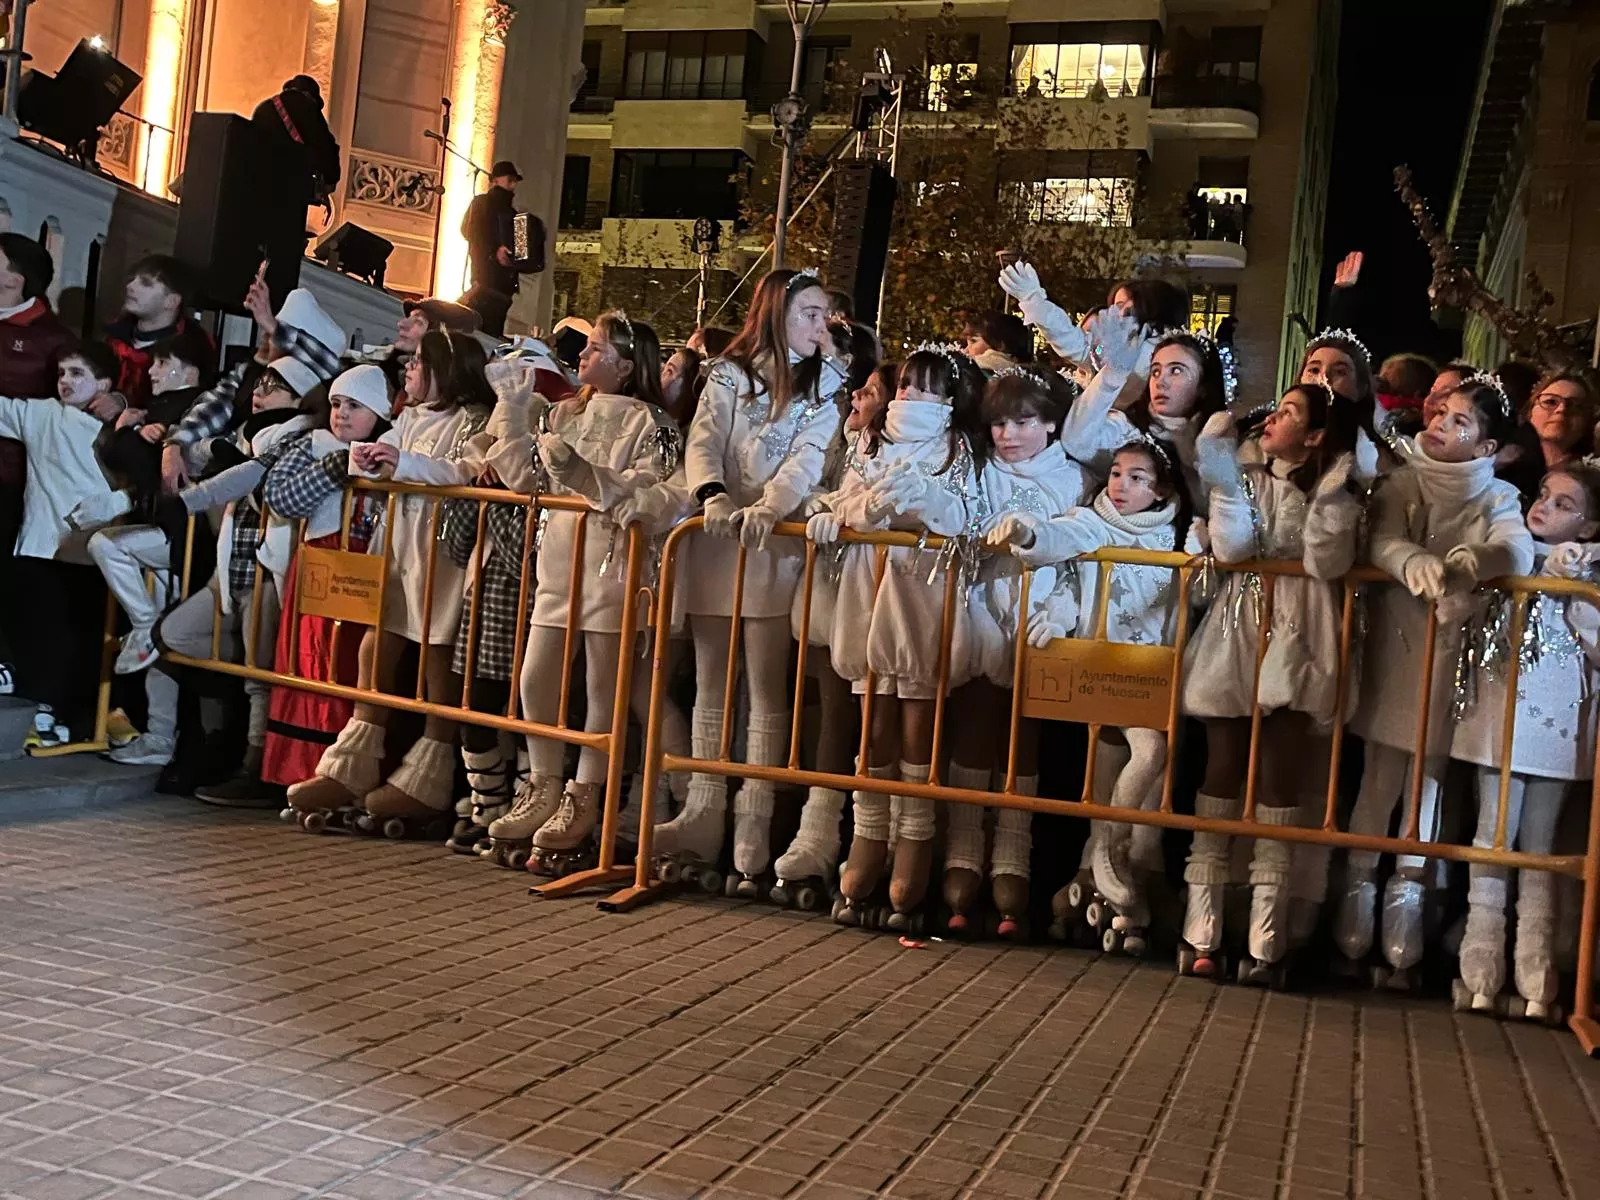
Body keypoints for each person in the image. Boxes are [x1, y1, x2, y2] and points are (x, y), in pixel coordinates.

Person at [651, 269, 845, 894]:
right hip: (717, 537)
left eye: (824, 315)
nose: (821, 326)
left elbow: (809, 456)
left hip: (773, 544)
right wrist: (711, 495)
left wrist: (773, 505)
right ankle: (704, 807)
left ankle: (754, 824)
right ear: (778, 312)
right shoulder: (731, 375)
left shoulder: (827, 386)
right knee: (712, 680)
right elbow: (704, 439)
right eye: (810, 313)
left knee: (765, 687)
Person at [1337, 374, 1532, 988]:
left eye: (1459, 422)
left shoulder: (1496, 495)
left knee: (1428, 784)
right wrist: (1407, 559)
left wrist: (1473, 562)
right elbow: (1382, 535)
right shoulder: (1403, 480)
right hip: (1398, 646)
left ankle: (1408, 893)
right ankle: (1358, 886)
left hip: (1454, 658)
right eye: (1439, 413)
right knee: (1378, 777)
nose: (1440, 425)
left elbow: (1516, 547)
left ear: (1485, 446)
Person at [1179, 382, 1362, 985]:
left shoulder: (1336, 487)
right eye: (1276, 408)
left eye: (1289, 413)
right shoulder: (1249, 477)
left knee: (1280, 775)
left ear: (1314, 435)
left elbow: (1323, 561)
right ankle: (1201, 918)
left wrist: (1335, 486)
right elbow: (1232, 548)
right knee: (1222, 766)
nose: (1273, 419)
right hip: (1238, 624)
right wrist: (1220, 469)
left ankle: (1268, 929)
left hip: (1300, 626)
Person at [484, 312, 673, 871]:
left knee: (602, 688)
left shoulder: (652, 421)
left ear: (627, 362)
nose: (584, 356)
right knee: (535, 677)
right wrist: (514, 416)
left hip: (612, 568)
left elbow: (648, 490)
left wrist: (589, 474)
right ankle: (542, 783)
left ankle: (586, 793)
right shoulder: (566, 411)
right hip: (560, 564)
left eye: (596, 347)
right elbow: (527, 479)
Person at [810, 345, 986, 930]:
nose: (911, 397)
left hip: (924, 591)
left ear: (951, 399)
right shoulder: (873, 440)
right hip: (869, 587)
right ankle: (868, 834)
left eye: (927, 388)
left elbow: (965, 512)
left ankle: (914, 839)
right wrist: (839, 511)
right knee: (873, 716)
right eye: (907, 386)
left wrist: (920, 504)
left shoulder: (958, 448)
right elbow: (847, 496)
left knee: (918, 720)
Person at [285, 336, 493, 829]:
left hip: (442, 549)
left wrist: (405, 466)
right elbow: (381, 461)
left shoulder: (476, 420)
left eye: (420, 363)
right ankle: (354, 761)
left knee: (437, 653)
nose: (410, 372)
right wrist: (372, 464)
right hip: (398, 541)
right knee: (377, 644)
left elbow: (468, 470)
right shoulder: (410, 418)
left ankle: (431, 772)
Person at [988, 437, 1185, 952]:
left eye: (1137, 478)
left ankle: (1113, 868)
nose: (1121, 485)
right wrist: (1029, 532)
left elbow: (1195, 598)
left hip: (1150, 675)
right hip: (1103, 671)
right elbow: (1060, 542)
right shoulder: (1094, 520)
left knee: (1151, 763)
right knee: (1116, 769)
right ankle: (1105, 859)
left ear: (1160, 488)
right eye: (1116, 473)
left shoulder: (1174, 536)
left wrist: (1203, 558)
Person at [114, 357, 323, 780]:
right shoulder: (249, 435)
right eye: (259, 386)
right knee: (175, 636)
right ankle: (219, 738)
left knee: (257, 671)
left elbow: (250, 475)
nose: (259, 395)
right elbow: (198, 452)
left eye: (273, 387)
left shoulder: (304, 439)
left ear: (300, 398)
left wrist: (186, 498)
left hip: (270, 567)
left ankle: (253, 763)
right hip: (229, 567)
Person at [1451, 463, 1600, 1020]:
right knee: (1492, 836)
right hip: (1500, 724)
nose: (1545, 507)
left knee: (1539, 850)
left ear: (1588, 526)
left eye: (1564, 504)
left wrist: (1578, 592)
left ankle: (1537, 976)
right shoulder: (1509, 557)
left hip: (1559, 731)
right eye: (1544, 495)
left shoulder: (1588, 573)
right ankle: (1481, 969)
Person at [943, 365, 1084, 938]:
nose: (1008, 435)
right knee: (977, 720)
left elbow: (1075, 541)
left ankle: (1013, 857)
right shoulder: (976, 468)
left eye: (1022, 421)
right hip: (980, 605)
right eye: (999, 423)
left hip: (1041, 614)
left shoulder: (1072, 477)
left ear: (1050, 423)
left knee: (1024, 732)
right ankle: (962, 853)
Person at [0, 342, 123, 745]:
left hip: (91, 552)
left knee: (81, 640)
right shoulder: (42, 415)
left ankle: (71, 715)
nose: (65, 381)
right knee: (41, 634)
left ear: (103, 384)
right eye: (61, 373)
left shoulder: (120, 428)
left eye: (77, 373)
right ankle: (42, 710)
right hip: (40, 546)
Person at [78, 327, 216, 680]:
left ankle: (144, 626)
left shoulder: (189, 411)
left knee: (105, 545)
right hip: (164, 526)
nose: (152, 371)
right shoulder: (160, 408)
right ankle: (159, 731)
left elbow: (132, 461)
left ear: (189, 372)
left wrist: (126, 432)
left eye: (162, 363)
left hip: (180, 533)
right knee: (158, 648)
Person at [162, 281, 347, 492]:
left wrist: (274, 326)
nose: (267, 339)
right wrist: (174, 445)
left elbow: (329, 364)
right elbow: (213, 407)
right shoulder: (248, 371)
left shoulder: (318, 383)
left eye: (275, 333)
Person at [104, 256, 206, 409]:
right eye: (132, 279)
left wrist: (123, 404)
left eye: (145, 283)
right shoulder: (114, 335)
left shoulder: (192, 347)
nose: (130, 286)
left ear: (171, 301)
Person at [251, 75, 342, 205]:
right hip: (293, 186)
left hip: (260, 183)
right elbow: (326, 148)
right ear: (309, 95)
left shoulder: (263, 108)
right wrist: (331, 178)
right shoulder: (308, 107)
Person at [462, 161, 529, 338]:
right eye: (510, 179)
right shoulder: (481, 203)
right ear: (495, 180)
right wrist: (493, 252)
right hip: (485, 280)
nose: (513, 184)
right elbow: (470, 232)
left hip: (504, 286)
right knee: (478, 327)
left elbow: (522, 253)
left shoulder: (517, 215)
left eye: (515, 181)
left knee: (491, 330)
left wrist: (518, 258)